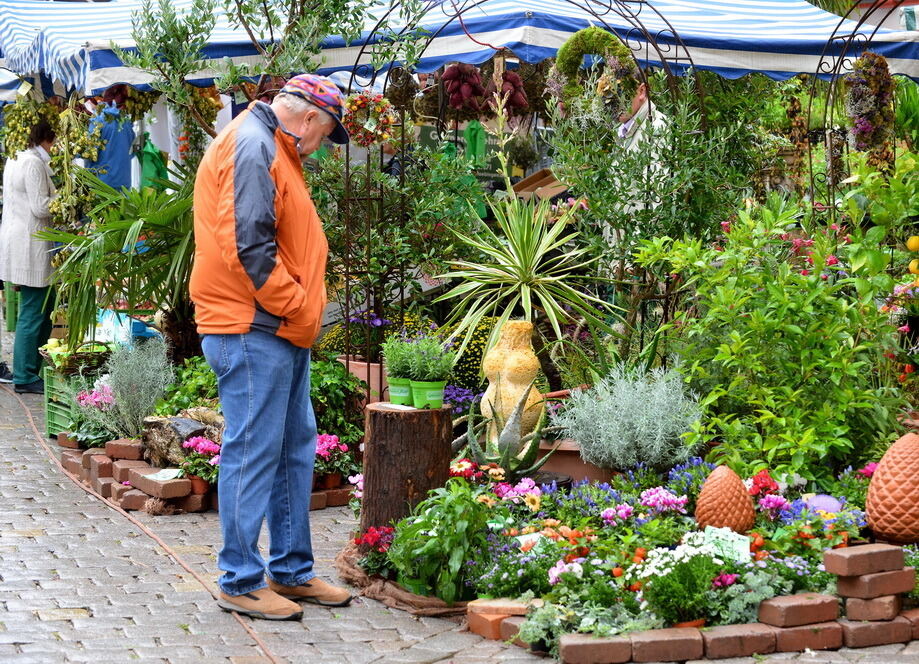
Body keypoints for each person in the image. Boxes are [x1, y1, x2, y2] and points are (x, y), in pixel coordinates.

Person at [190, 74, 352, 620]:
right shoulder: (253, 144)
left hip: (273, 328)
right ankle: (238, 579)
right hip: (253, 326)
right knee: (254, 450)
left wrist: (296, 314)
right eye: (325, 134)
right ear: (307, 118)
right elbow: (249, 246)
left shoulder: (271, 145)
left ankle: (291, 571)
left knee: (291, 447)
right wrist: (298, 307)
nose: (320, 145)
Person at [0, 120, 57, 393]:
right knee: (34, 311)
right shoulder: (34, 162)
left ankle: (31, 371)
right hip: (31, 243)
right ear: (48, 138)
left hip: (20, 240)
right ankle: (24, 375)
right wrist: (68, 198)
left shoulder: (15, 157)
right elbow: (40, 207)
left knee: (40, 308)